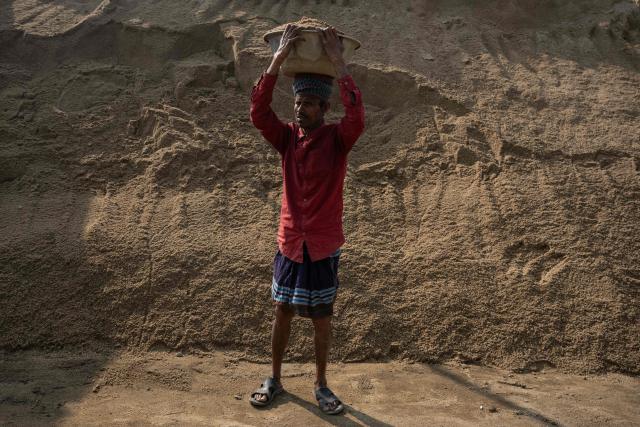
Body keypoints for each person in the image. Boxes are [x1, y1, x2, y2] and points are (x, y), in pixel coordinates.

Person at [248, 24, 365, 415]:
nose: (300, 109)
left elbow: (358, 115)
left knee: (321, 316)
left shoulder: (337, 140)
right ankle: (276, 379)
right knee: (282, 311)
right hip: (290, 241)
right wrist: (278, 59)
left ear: (323, 108)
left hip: (323, 242)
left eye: (309, 105)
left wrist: (337, 62)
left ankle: (321, 385)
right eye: (298, 104)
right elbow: (258, 112)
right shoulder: (286, 139)